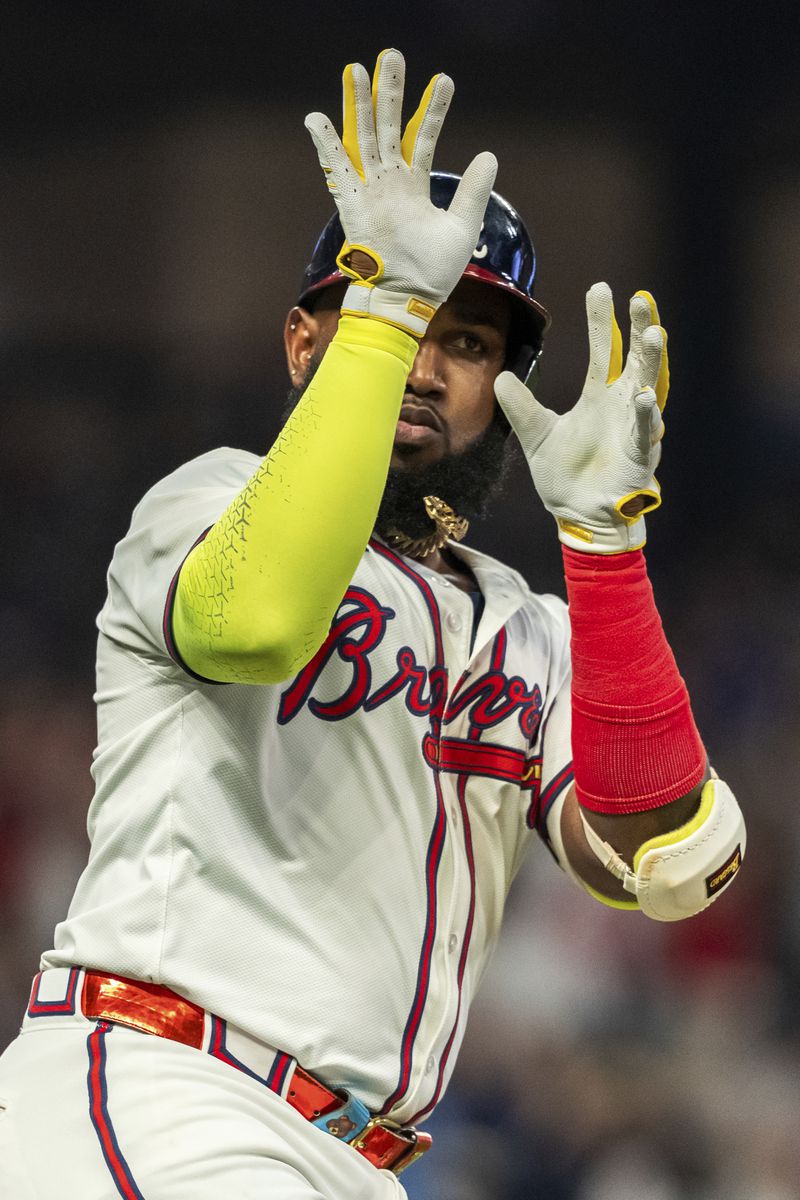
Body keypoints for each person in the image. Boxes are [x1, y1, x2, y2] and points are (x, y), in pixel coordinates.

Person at [0, 48, 745, 1200]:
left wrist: (606, 556)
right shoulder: (204, 504)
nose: (426, 364)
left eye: (467, 343)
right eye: (402, 318)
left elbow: (665, 865)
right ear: (307, 344)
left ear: (502, 390)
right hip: (163, 1087)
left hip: (354, 1158)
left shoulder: (534, 630)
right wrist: (381, 316)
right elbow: (255, 622)